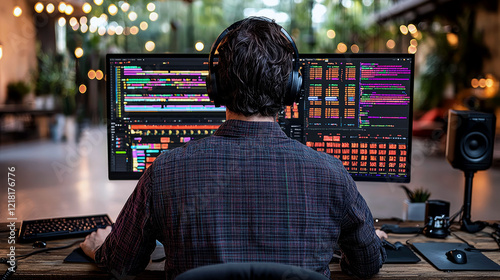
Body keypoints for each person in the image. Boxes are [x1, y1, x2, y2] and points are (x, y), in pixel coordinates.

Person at [81, 17, 386, 279]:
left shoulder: (163, 172)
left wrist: (100, 248)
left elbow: (122, 267)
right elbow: (367, 266)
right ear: (292, 88)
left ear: (215, 86)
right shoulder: (331, 175)